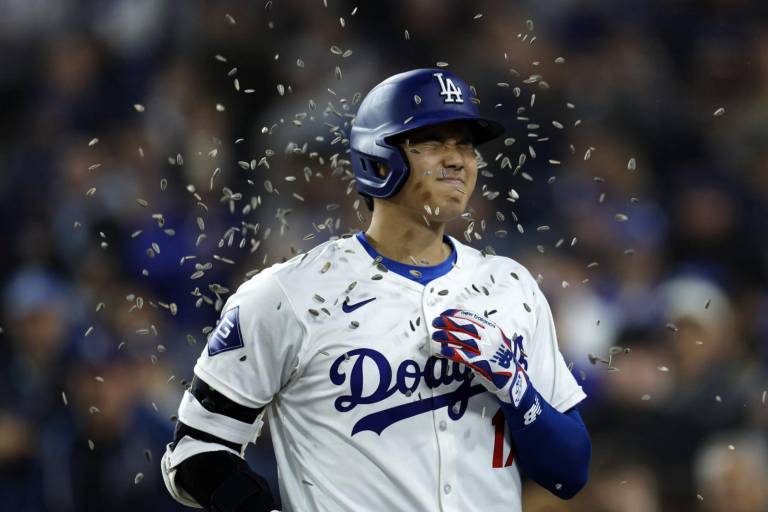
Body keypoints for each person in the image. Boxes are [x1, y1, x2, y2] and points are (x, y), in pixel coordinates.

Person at [160, 68, 591, 512]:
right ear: (379, 159)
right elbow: (195, 449)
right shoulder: (289, 295)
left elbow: (569, 473)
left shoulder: (510, 287)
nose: (458, 160)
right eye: (432, 142)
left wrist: (516, 389)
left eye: (465, 144)